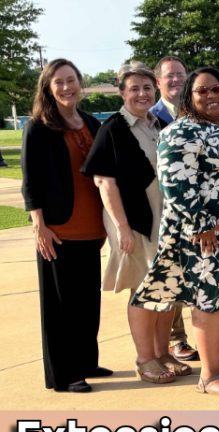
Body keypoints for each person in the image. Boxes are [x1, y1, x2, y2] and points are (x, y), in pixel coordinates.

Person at [132, 67, 219, 396]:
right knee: (213, 301)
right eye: (202, 91)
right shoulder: (182, 132)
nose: (211, 95)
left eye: (217, 89)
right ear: (189, 97)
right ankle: (209, 375)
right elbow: (176, 182)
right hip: (211, 235)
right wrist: (201, 223)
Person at [82, 61, 185, 384]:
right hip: (133, 220)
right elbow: (104, 182)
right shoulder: (113, 128)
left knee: (165, 288)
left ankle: (162, 352)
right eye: (134, 89)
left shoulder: (157, 125)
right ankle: (145, 359)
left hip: (163, 219)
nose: (141, 94)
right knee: (143, 289)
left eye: (146, 88)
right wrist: (122, 229)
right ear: (122, 93)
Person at [23, 59, 110, 393]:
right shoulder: (38, 127)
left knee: (88, 302)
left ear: (80, 83)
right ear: (48, 87)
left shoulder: (89, 122)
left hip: (92, 229)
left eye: (71, 80)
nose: (66, 87)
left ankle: (86, 362)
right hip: (58, 231)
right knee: (61, 307)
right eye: (58, 82)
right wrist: (39, 226)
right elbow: (30, 182)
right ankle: (64, 374)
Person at [148, 55, 197, 362]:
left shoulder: (196, 114)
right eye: (170, 76)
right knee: (171, 273)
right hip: (164, 207)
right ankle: (175, 339)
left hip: (197, 208)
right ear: (159, 82)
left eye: (181, 74)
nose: (176, 80)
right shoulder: (152, 117)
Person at [149, 56, 186, 124]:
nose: (176, 79)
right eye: (170, 76)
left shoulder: (199, 113)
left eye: (180, 75)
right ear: (158, 83)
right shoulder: (149, 117)